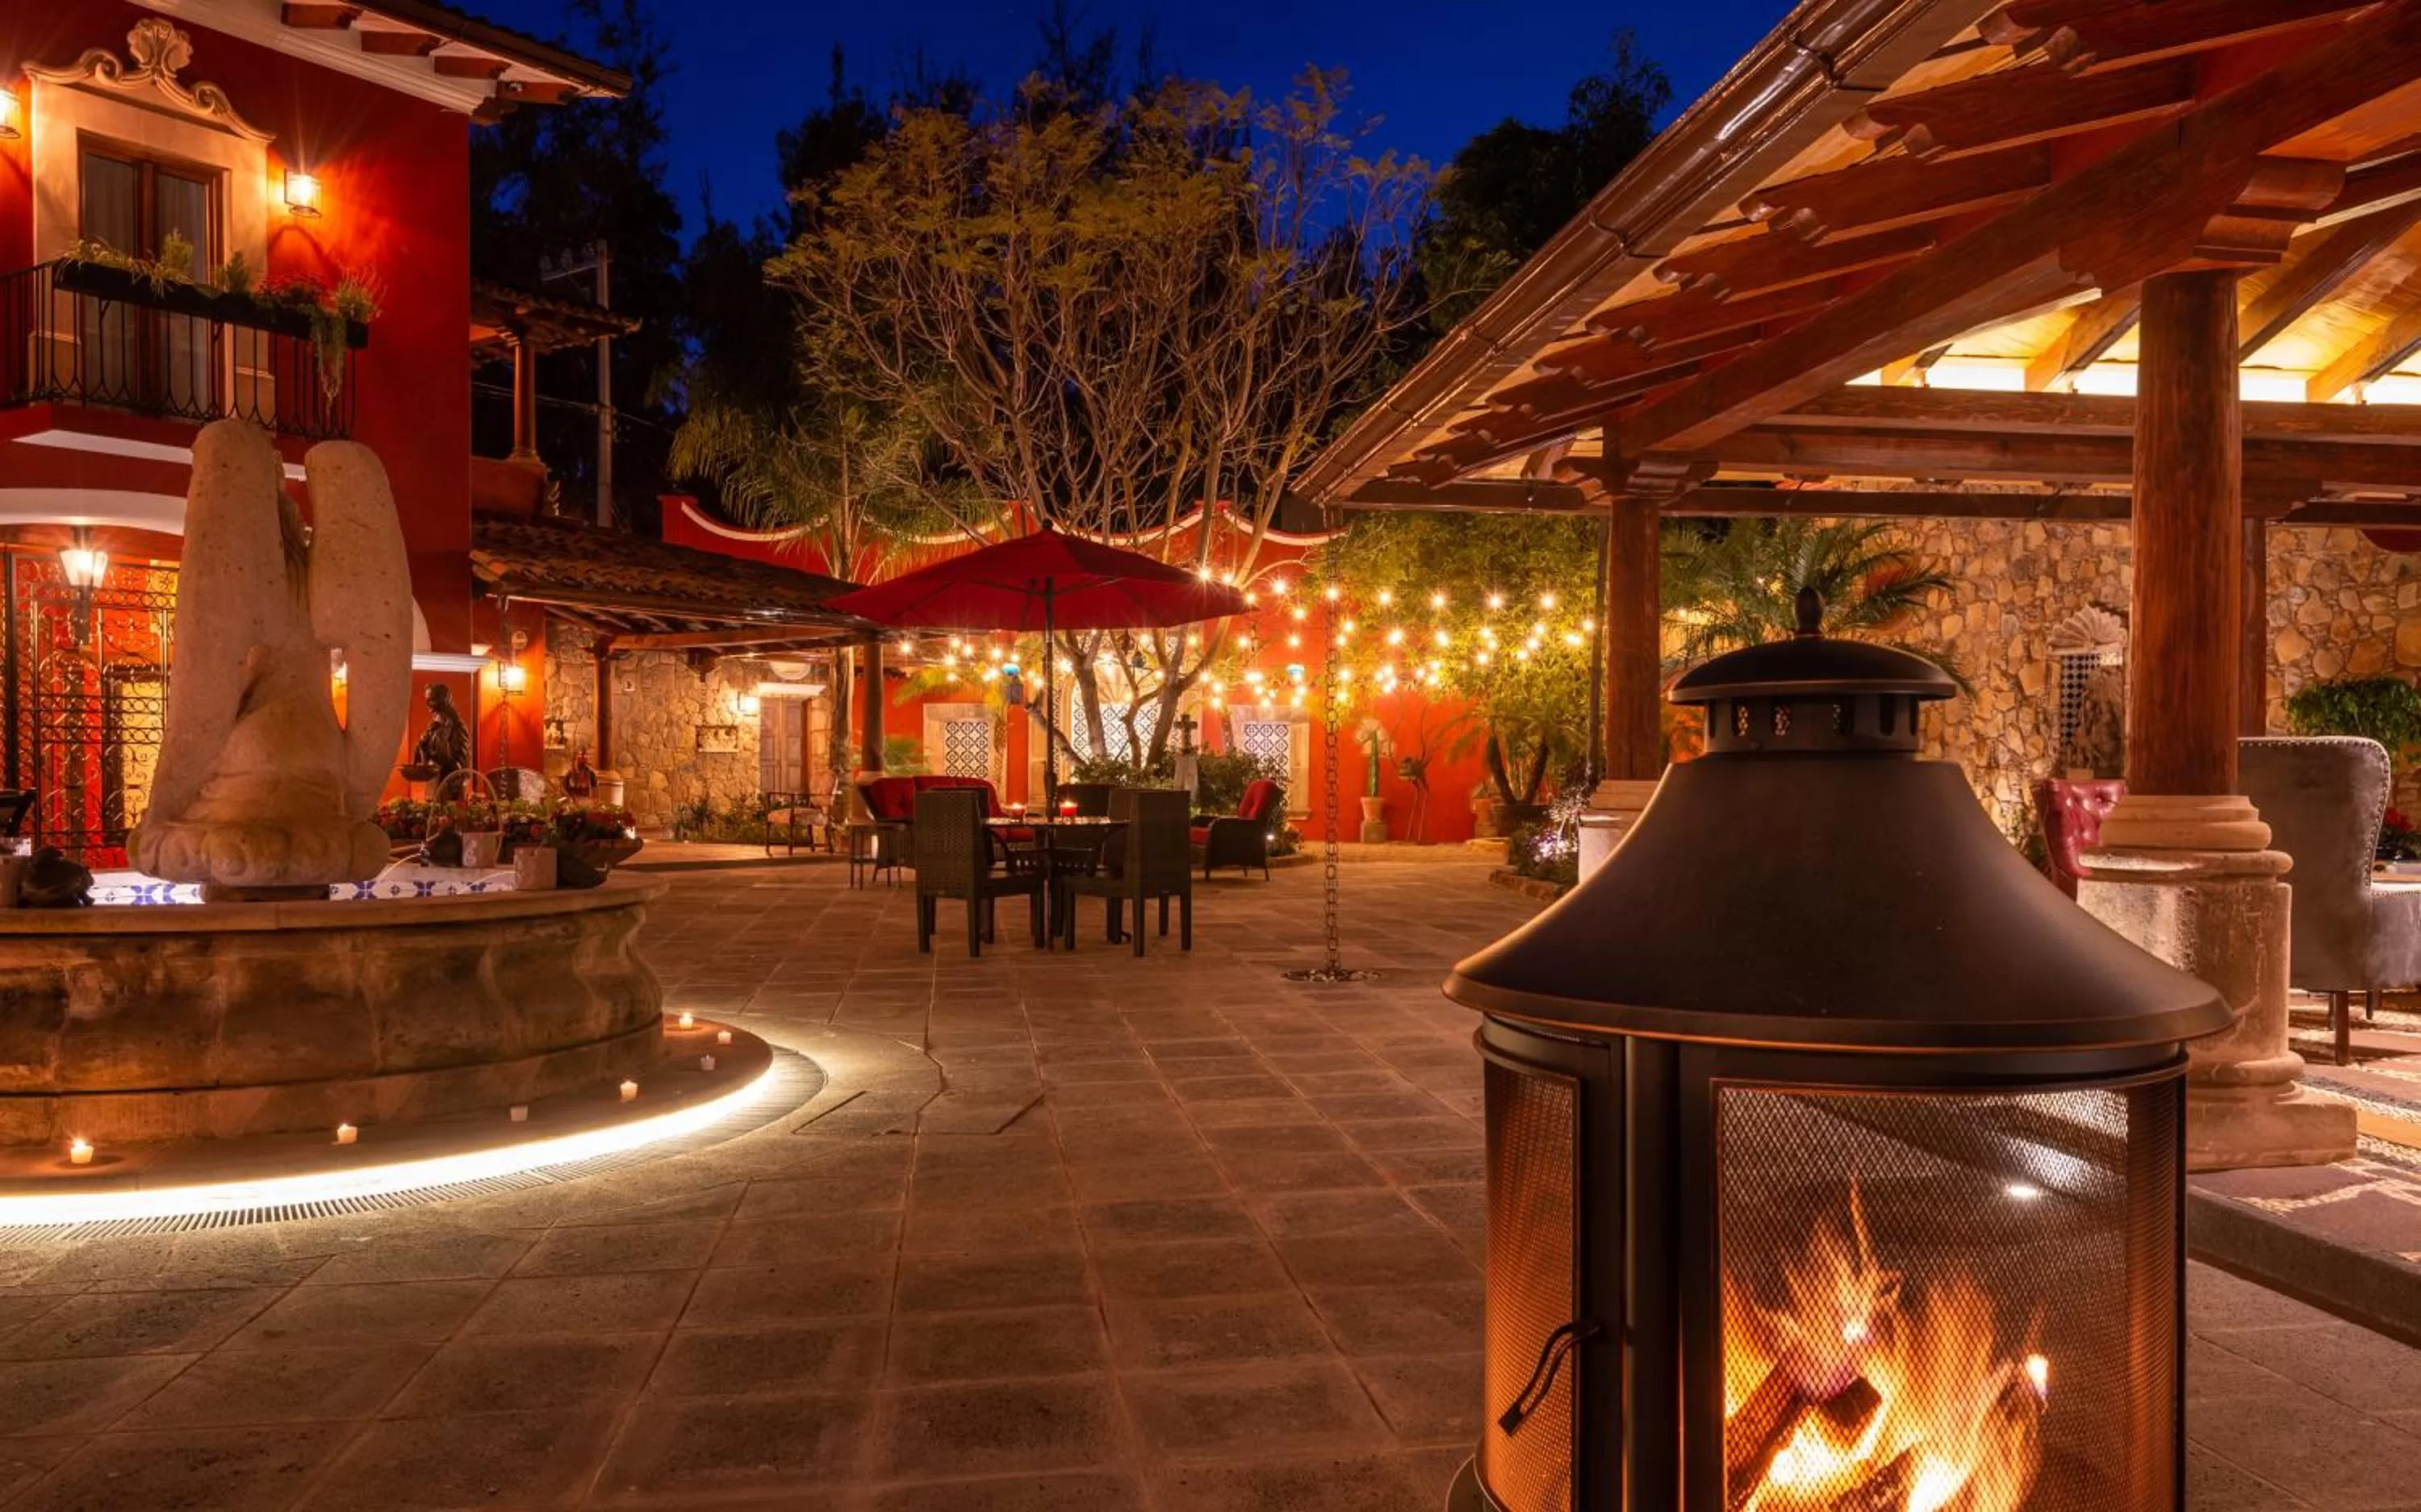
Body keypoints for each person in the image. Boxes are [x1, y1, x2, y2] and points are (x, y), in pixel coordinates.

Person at [414, 683, 471, 779]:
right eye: (427, 700)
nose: (427, 704)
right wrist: (421, 748)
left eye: (432, 699)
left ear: (443, 700)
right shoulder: (434, 725)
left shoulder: (455, 726)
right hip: (435, 778)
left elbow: (459, 760)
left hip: (450, 780)